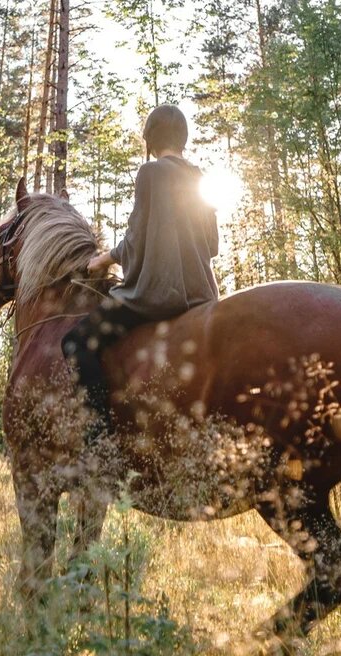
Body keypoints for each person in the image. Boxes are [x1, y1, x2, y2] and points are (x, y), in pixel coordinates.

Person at [62, 104, 220, 439]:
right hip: (204, 296)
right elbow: (213, 245)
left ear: (150, 139)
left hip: (157, 296)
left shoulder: (150, 173)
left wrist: (103, 259)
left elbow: (135, 240)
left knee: (76, 341)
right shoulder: (199, 178)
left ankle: (99, 436)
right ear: (183, 138)